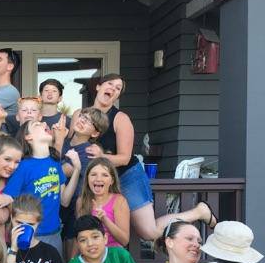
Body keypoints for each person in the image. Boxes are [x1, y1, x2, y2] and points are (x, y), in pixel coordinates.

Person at [83, 73, 216, 240]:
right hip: (96, 178)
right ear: (98, 87)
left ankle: (199, 212)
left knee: (149, 232)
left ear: (117, 96)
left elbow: (124, 158)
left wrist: (101, 157)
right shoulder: (81, 116)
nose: (113, 89)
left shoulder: (120, 119)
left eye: (118, 88)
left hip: (126, 176)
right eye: (109, 84)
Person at [3, 120, 81, 256]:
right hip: (30, 236)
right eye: (37, 124)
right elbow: (9, 200)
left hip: (54, 233)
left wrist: (77, 169)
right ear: (28, 137)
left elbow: (65, 201)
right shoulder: (23, 166)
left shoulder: (55, 162)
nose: (45, 124)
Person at [60, 107, 108, 258]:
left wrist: (57, 141)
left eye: (89, 121)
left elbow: (60, 172)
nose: (82, 121)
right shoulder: (64, 141)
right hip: (57, 203)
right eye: (82, 116)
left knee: (69, 254)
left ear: (94, 133)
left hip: (74, 207)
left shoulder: (88, 151)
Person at [74, 157, 130, 250]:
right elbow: (80, 236)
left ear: (112, 181)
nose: (98, 179)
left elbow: (124, 240)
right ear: (87, 179)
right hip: (90, 253)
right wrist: (73, 257)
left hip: (112, 253)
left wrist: (104, 219)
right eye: (93, 174)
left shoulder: (119, 201)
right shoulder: (81, 201)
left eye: (105, 175)